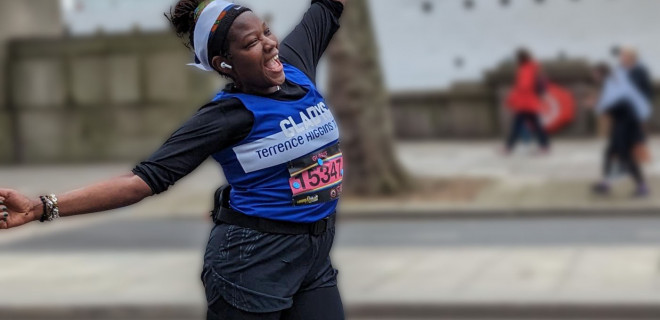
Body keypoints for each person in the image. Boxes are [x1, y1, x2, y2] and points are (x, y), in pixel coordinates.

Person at [0, 0, 347, 319]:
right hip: (253, 261)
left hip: (314, 251)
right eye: (251, 43)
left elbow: (328, 6)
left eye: (266, 32)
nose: (270, 44)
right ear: (224, 63)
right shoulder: (226, 116)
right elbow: (141, 182)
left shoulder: (295, 66)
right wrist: (40, 207)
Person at [590, 61, 651, 197]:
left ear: (600, 74)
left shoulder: (612, 85)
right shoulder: (612, 83)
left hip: (626, 125)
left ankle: (642, 187)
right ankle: (606, 183)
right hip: (622, 124)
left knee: (625, 156)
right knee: (609, 153)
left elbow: (614, 106)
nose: (593, 77)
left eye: (595, 74)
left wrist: (597, 106)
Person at [504, 48, 550, 154]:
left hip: (525, 103)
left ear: (520, 58)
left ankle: (508, 147)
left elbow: (523, 86)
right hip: (530, 102)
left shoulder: (525, 69)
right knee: (536, 126)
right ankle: (544, 146)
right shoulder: (534, 67)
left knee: (517, 126)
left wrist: (511, 99)